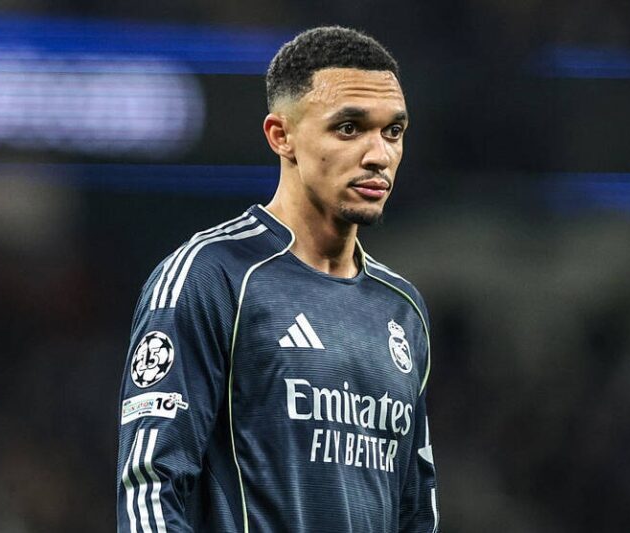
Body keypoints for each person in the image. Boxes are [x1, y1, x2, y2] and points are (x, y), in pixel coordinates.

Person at [117, 26, 439, 532]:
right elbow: (150, 487)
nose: (379, 155)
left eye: (393, 132)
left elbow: (416, 512)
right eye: (349, 128)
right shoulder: (212, 275)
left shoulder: (402, 308)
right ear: (281, 136)